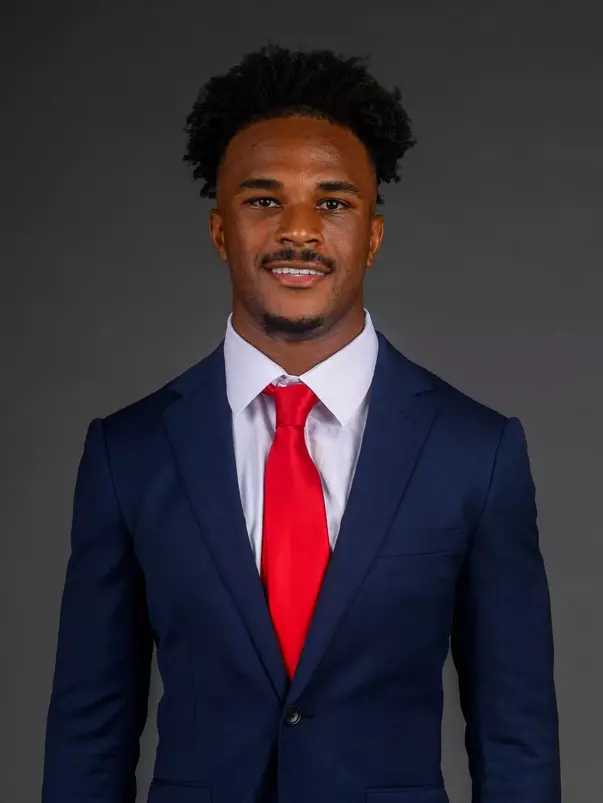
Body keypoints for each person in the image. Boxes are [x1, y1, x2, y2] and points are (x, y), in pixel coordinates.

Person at [41, 42, 561, 803]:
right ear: (220, 230)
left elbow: (515, 736)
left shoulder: (474, 452)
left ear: (371, 236)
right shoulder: (129, 453)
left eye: (332, 202)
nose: (298, 230)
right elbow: (89, 729)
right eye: (263, 201)